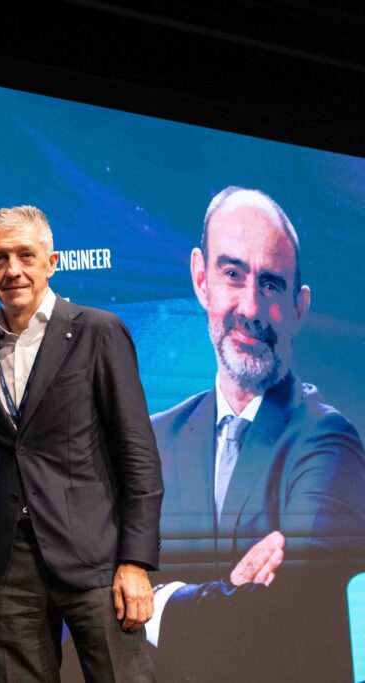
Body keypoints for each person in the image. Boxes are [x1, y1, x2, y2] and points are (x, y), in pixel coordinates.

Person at [149, 186, 365, 681]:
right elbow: (102, 593)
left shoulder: (330, 444)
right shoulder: (156, 440)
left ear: (298, 305)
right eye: (232, 274)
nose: (250, 306)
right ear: (201, 279)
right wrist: (230, 595)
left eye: (270, 284)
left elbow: (280, 612)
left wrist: (157, 605)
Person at [0, 205, 163, 682]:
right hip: (9, 565)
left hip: (96, 559)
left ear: (51, 262)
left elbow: (137, 453)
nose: (13, 269)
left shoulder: (97, 331)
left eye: (26, 255)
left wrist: (135, 561)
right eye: (0, 258)